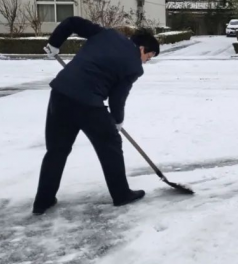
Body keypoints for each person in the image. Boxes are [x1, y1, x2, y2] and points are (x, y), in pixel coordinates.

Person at [33, 17, 160, 215]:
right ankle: (121, 194)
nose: (146, 61)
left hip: (60, 93)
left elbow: (72, 22)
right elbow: (117, 98)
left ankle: (43, 201)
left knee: (57, 151)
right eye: (149, 57)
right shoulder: (135, 66)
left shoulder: (107, 34)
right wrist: (117, 121)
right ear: (143, 49)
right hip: (88, 104)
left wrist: (54, 43)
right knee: (110, 145)